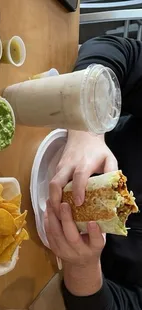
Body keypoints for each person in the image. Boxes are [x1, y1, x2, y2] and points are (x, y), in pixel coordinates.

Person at [45, 35, 142, 310]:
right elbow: (117, 52)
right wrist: (87, 126)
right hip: (48, 137)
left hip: (47, 258)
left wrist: (82, 267)